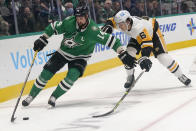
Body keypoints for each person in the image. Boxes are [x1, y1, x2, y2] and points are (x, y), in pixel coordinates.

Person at [22, 6, 136, 107]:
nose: (79, 20)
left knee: (72, 76)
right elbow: (53, 27)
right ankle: (31, 96)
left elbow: (113, 41)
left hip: (81, 57)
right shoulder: (69, 22)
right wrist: (43, 37)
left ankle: (54, 97)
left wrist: (122, 53)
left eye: (81, 17)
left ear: (87, 16)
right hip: (63, 52)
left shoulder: (93, 30)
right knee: (45, 73)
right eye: (77, 17)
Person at [101, 10, 191, 88]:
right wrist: (108, 25)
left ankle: (180, 75)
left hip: (153, 33)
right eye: (118, 25)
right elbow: (112, 20)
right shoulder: (123, 22)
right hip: (137, 36)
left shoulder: (138, 27)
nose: (119, 27)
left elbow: (147, 44)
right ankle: (130, 77)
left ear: (128, 22)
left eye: (121, 25)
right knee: (128, 56)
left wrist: (145, 57)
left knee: (163, 57)